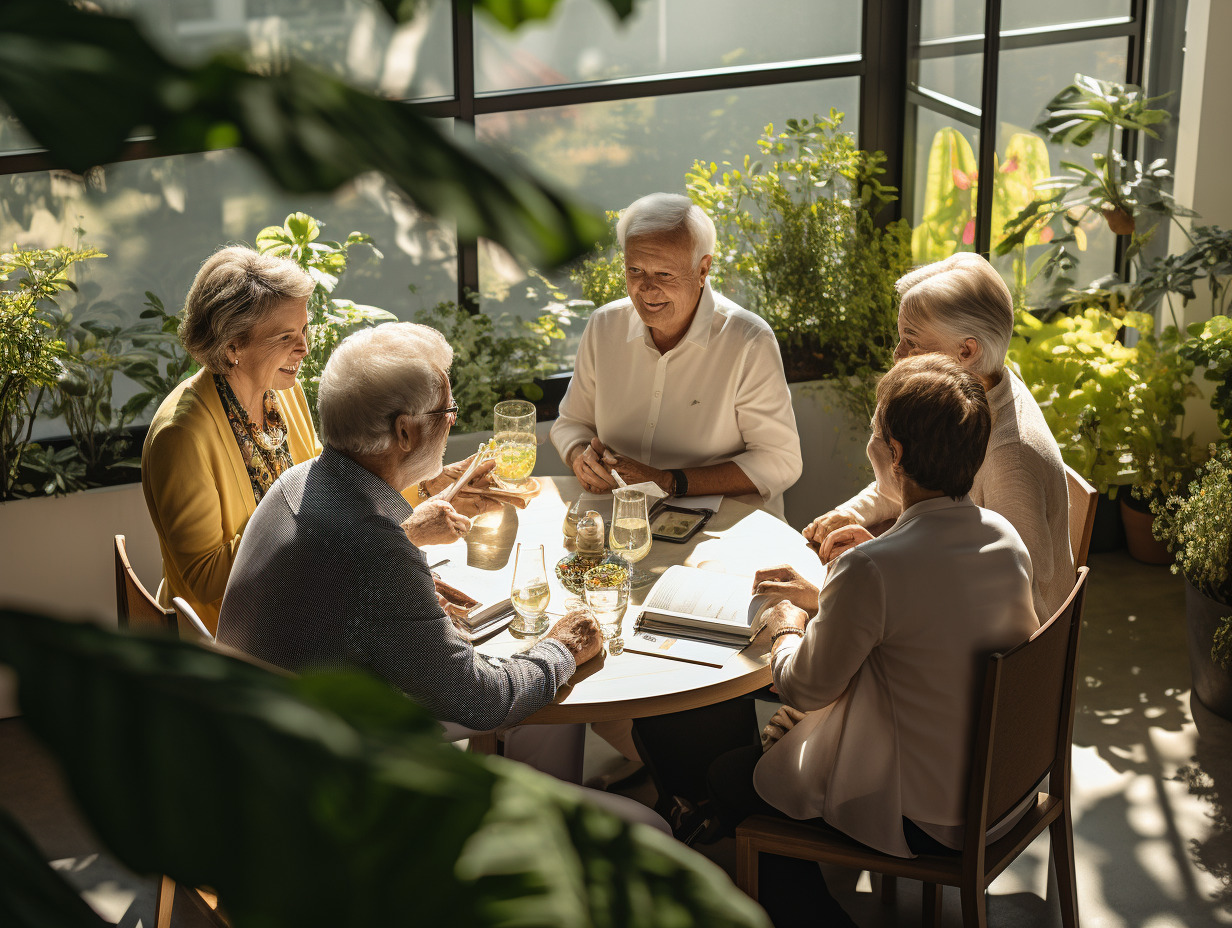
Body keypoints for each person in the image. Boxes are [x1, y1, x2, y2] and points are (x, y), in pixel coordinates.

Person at [706, 355, 1039, 925]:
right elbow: (927, 614)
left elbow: (806, 686)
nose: (870, 445)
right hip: (1005, 791)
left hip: (930, 814)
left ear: (897, 454)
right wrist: (845, 580)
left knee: (726, 776)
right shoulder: (1002, 536)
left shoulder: (876, 572)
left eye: (875, 434)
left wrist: (787, 622)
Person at [216, 323, 607, 775]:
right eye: (446, 410)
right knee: (550, 683)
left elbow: (339, 586)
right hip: (325, 790)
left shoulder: (296, 482)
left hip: (255, 750)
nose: (454, 420)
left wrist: (400, 590)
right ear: (404, 433)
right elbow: (481, 701)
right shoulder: (374, 550)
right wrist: (562, 646)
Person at [142, 246, 493, 635]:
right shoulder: (181, 436)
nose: (304, 348)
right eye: (286, 336)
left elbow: (331, 490)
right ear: (232, 346)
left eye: (304, 330)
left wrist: (427, 487)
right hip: (237, 635)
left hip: (298, 599)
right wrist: (395, 540)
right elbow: (205, 580)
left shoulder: (282, 391)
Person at [804, 252, 1073, 624]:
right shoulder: (980, 387)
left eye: (912, 342)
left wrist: (869, 576)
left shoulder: (1010, 456)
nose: (898, 355)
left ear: (967, 351)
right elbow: (912, 483)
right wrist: (851, 515)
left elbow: (1017, 601)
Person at [550, 192, 802, 518]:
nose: (647, 287)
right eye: (635, 270)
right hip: (620, 519)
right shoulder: (604, 325)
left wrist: (669, 481)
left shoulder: (748, 340)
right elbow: (571, 422)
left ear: (703, 270)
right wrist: (579, 456)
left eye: (665, 274)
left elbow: (780, 460)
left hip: (722, 529)